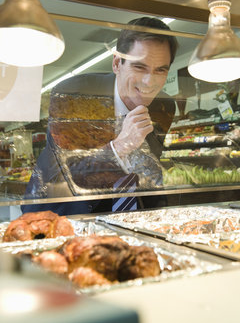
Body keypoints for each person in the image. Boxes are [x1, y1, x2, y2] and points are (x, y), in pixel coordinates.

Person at [22, 17, 178, 215]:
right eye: (139, 67)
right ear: (116, 64)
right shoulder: (75, 95)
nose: (149, 82)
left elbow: (147, 171)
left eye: (160, 70)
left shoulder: (163, 107)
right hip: (66, 213)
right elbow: (62, 177)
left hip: (130, 223)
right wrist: (119, 147)